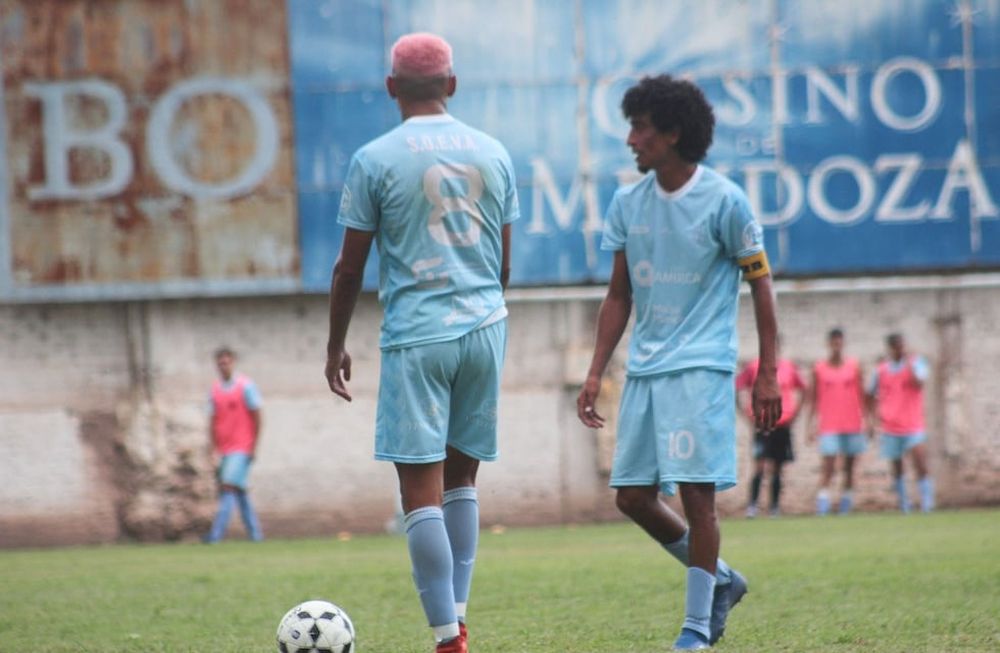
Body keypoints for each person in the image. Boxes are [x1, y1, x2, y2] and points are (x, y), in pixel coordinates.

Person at [324, 32, 518, 653]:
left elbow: (350, 269)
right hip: (487, 327)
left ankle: (445, 637)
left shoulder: (375, 158)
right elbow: (503, 264)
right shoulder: (494, 153)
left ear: (391, 89)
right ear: (452, 85)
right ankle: (458, 619)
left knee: (419, 490)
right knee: (463, 480)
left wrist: (336, 344)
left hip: (418, 336)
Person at [576, 75, 781, 651]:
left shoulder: (725, 201)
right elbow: (619, 296)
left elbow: (762, 285)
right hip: (645, 368)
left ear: (672, 133)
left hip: (701, 366)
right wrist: (596, 370)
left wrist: (766, 372)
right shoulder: (627, 203)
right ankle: (719, 579)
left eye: (640, 127)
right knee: (632, 497)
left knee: (697, 493)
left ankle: (695, 629)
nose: (631, 139)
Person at [735, 338, 806, 518]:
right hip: (762, 424)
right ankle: (752, 506)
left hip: (781, 424)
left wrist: (795, 415)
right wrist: (747, 415)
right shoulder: (754, 367)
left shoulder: (789, 367)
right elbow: (737, 387)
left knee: (777, 467)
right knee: (759, 465)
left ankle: (774, 507)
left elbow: (804, 389)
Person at [867, 333, 934, 513]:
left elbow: (918, 383)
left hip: (913, 424)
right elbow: (870, 395)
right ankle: (904, 503)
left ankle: (927, 503)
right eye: (896, 346)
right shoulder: (880, 370)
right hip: (890, 425)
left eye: (902, 345)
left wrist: (909, 364)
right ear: (890, 348)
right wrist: (873, 420)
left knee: (920, 461)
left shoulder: (916, 363)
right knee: (897, 467)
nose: (900, 349)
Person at [805, 327, 868, 516]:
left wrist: (870, 420)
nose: (837, 346)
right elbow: (813, 399)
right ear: (829, 344)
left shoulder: (854, 367)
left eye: (839, 342)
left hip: (852, 423)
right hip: (829, 425)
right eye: (833, 343)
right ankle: (822, 507)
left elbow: (863, 395)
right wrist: (809, 425)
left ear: (843, 344)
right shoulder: (819, 368)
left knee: (849, 467)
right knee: (829, 467)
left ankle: (845, 507)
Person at [204, 346, 264, 543]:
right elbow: (212, 421)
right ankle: (255, 535)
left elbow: (257, 417)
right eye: (220, 363)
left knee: (228, 487)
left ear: (233, 362)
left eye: (226, 361)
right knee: (239, 491)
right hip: (224, 449)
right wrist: (213, 448)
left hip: (242, 446)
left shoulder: (245, 386)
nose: (223, 366)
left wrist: (254, 446)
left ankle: (215, 536)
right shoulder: (215, 390)